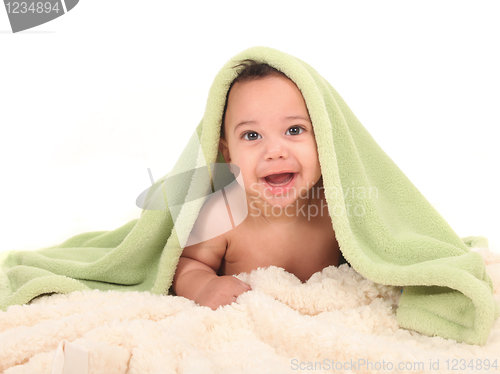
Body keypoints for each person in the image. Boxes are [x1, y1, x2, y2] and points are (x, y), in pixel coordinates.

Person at [172, 59, 348, 310]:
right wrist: (204, 286)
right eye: (252, 135)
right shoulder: (222, 213)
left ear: (323, 138)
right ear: (228, 153)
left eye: (294, 130)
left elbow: (379, 243)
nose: (275, 151)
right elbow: (187, 263)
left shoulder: (335, 204)